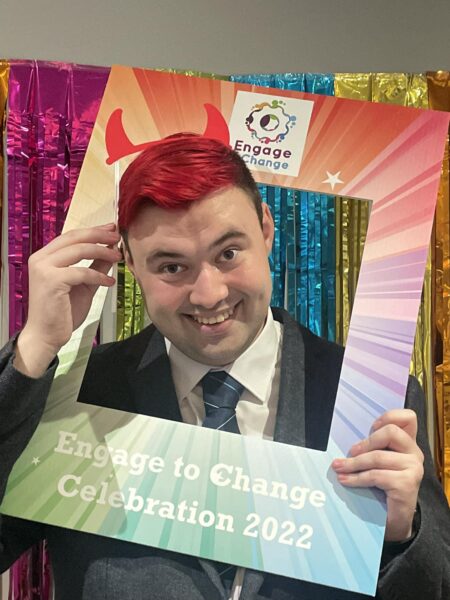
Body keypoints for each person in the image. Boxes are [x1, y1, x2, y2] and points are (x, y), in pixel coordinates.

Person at [1, 134, 449, 600]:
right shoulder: (77, 393)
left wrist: (401, 536)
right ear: (129, 263)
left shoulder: (372, 397)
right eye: (172, 267)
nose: (209, 294)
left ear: (267, 229)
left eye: (228, 254)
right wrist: (32, 352)